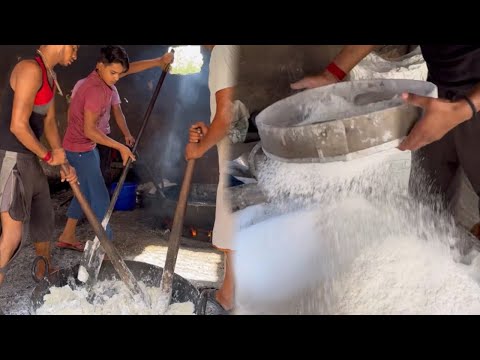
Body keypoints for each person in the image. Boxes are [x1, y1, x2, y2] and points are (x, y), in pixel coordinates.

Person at [290, 45, 480, 237]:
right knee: (426, 207)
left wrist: (462, 109)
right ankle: (438, 256)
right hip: (437, 97)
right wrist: (332, 74)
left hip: (474, 102)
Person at [57, 45, 173, 251]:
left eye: (119, 73)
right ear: (100, 66)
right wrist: (120, 146)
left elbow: (131, 68)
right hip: (80, 149)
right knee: (101, 196)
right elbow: (90, 131)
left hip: (82, 147)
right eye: (113, 73)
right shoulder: (94, 90)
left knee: (84, 191)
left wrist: (158, 61)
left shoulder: (103, 78)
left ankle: (67, 235)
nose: (117, 77)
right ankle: (107, 247)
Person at [0, 45, 79, 285]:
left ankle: (43, 272)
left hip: (29, 159)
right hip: (11, 157)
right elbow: (17, 126)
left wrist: (63, 163)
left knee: (44, 217)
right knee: (12, 237)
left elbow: (50, 124)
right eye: (74, 48)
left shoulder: (50, 75)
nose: (75, 55)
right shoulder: (29, 69)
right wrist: (48, 157)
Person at [186, 45, 239, 314]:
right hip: (253, 148)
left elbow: (226, 116)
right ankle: (229, 292)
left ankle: (229, 296)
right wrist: (210, 134)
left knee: (235, 227)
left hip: (239, 158)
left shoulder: (223, 51)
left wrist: (198, 148)